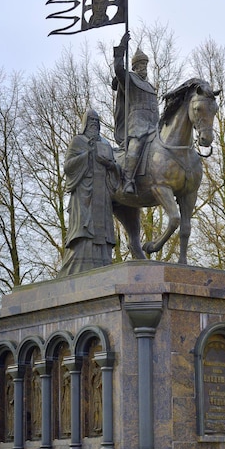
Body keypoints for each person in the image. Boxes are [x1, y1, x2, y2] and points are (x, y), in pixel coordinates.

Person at [59, 109, 119, 276]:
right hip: (84, 193)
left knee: (103, 233)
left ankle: (103, 263)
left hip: (103, 196)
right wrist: (88, 154)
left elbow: (117, 169)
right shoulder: (78, 141)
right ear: (85, 122)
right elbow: (68, 166)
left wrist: (110, 165)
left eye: (96, 120)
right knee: (85, 230)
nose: (94, 123)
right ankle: (78, 266)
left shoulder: (106, 144)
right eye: (91, 120)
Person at [112, 31, 159, 194]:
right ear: (135, 67)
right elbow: (118, 68)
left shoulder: (151, 87)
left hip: (154, 127)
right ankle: (128, 180)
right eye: (141, 66)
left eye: (145, 66)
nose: (144, 69)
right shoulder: (130, 80)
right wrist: (121, 48)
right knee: (135, 148)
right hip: (137, 126)